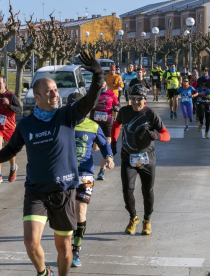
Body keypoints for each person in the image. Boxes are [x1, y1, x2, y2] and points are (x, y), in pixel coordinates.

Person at [0, 51, 103, 276]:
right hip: (36, 191)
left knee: (64, 249)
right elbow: (12, 149)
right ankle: (43, 272)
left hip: (64, 191)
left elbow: (90, 100)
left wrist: (98, 76)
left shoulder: (67, 115)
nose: (54, 95)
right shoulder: (27, 125)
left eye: (56, 91)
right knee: (30, 242)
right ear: (36, 97)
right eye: (49, 92)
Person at [111, 84, 170, 236]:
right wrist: (113, 142)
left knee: (147, 192)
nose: (136, 102)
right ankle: (133, 217)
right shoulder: (124, 111)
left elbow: (166, 134)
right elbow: (116, 125)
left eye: (139, 99)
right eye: (133, 98)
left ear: (145, 100)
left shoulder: (151, 114)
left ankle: (147, 220)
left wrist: (157, 136)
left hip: (147, 159)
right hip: (127, 157)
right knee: (127, 189)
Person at [67, 93, 115, 268]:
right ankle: (66, 245)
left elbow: (104, 145)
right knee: (66, 214)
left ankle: (76, 250)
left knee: (80, 211)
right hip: (64, 175)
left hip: (85, 174)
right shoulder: (62, 125)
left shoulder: (93, 126)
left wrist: (109, 157)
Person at [0, 75, 22, 184]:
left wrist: (8, 105)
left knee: (9, 149)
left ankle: (13, 168)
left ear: (5, 84)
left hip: (9, 126)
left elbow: (19, 110)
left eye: (0, 83)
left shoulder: (11, 95)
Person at [89, 81, 120, 180]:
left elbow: (118, 105)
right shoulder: (93, 93)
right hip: (94, 123)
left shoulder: (112, 94)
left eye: (102, 81)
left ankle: (102, 170)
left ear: (106, 82)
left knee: (105, 146)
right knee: (94, 148)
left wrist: (116, 108)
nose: (100, 83)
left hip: (107, 123)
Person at [196, 66, 210, 139]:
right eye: (203, 71)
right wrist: (197, 89)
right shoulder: (199, 80)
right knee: (201, 114)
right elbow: (195, 89)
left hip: (209, 100)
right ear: (201, 72)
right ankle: (201, 123)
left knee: (208, 117)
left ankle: (206, 132)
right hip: (201, 100)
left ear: (207, 72)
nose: (204, 72)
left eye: (205, 71)